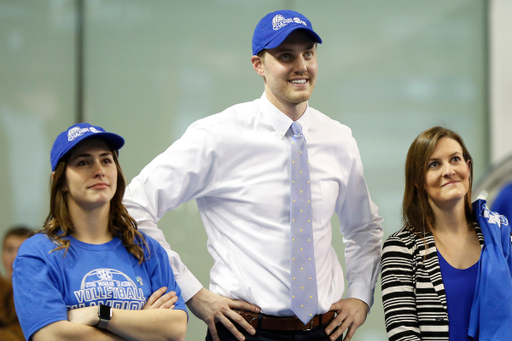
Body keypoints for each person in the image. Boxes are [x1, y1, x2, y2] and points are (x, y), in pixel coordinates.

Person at [124, 9, 383, 341]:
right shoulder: (217, 135)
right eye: (286, 56)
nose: (301, 66)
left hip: (323, 331)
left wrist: (361, 296)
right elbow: (133, 206)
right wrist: (193, 294)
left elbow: (363, 229)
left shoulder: (338, 138)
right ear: (258, 65)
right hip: (244, 331)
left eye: (308, 53)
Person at [12, 123, 188, 341]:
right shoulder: (38, 252)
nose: (99, 170)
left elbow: (176, 328)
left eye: (106, 160)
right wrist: (142, 328)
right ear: (61, 181)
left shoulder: (146, 249)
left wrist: (100, 314)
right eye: (83, 162)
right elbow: (52, 336)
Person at [381, 126, 512, 341]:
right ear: (418, 180)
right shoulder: (401, 248)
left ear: (468, 167)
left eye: (455, 159)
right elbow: (403, 335)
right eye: (434, 164)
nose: (448, 170)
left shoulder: (499, 237)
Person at [0, 226, 31, 341]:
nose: (14, 257)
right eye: (9, 250)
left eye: (21, 250)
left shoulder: (44, 294)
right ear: (2, 255)